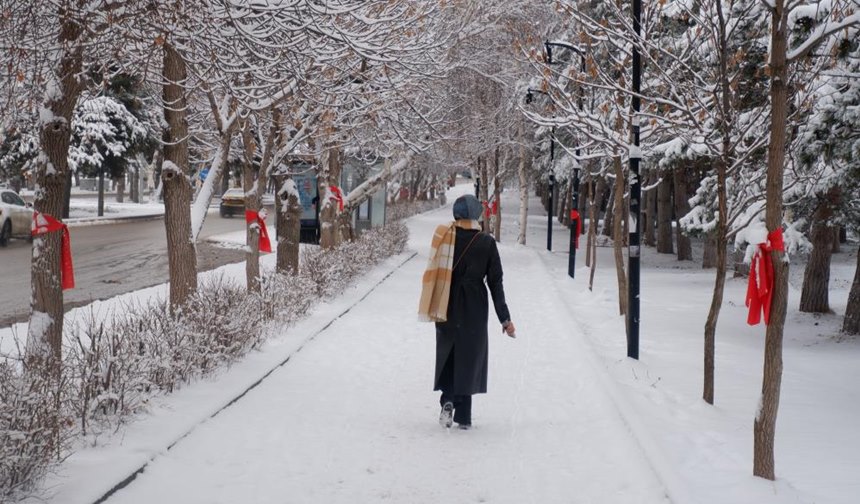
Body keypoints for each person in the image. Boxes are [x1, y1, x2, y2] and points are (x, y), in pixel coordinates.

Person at [418, 194, 516, 430]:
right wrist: (505, 319)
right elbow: (496, 282)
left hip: (445, 301)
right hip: (474, 304)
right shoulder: (486, 242)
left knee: (449, 354)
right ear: (476, 215)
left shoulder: (444, 237)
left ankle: (448, 400)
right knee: (469, 358)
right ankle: (464, 416)